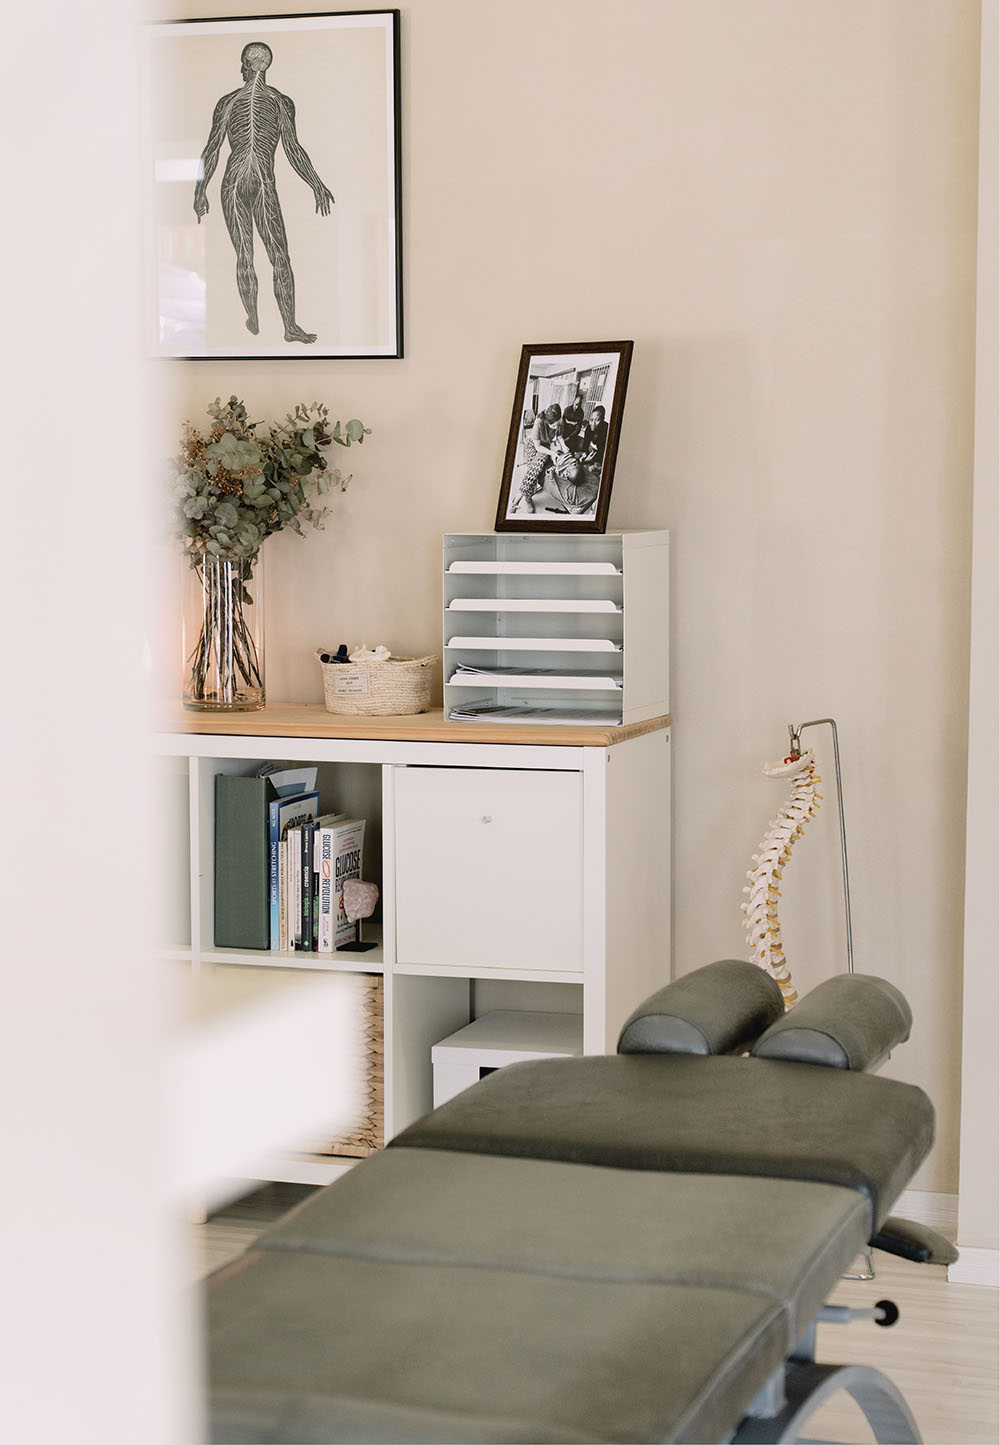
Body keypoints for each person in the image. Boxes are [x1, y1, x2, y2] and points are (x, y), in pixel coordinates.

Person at [193, 41, 334, 344]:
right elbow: (293, 150)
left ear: (247, 65)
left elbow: (212, 150)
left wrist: (200, 191)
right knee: (277, 255)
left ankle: (257, 319)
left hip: (234, 182)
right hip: (261, 182)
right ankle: (285, 326)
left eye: (242, 64)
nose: (241, 69)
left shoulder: (229, 102)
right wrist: (316, 184)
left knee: (247, 254)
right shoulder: (280, 102)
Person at [513, 403, 564, 512]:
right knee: (536, 467)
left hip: (546, 446)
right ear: (546, 422)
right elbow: (538, 446)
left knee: (538, 465)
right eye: (553, 426)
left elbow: (559, 438)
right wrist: (552, 453)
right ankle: (526, 498)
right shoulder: (539, 423)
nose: (556, 427)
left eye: (557, 424)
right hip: (534, 446)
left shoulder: (559, 422)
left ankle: (519, 499)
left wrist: (565, 449)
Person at [562, 389, 586, 454]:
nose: (577, 407)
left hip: (572, 436)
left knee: (570, 452)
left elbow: (578, 428)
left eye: (579, 405)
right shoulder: (567, 410)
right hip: (563, 433)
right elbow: (562, 423)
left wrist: (570, 437)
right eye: (576, 404)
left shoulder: (581, 413)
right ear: (574, 401)